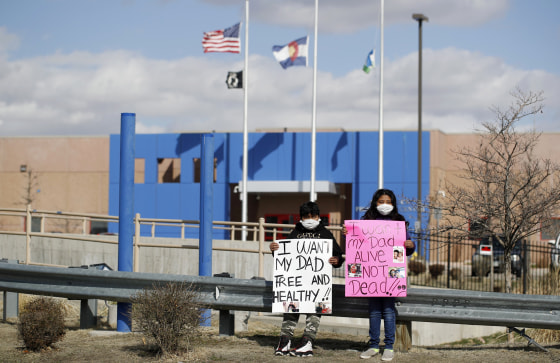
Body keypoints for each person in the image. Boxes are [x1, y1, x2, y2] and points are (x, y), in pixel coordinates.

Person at [270, 201, 344, 357]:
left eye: (313, 216)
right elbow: (285, 255)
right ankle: (285, 339)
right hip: (296, 284)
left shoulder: (325, 233)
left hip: (317, 284)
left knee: (315, 309)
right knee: (291, 307)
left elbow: (338, 254)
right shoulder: (296, 232)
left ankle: (307, 341)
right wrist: (275, 250)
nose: (310, 219)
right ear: (301, 217)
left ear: (318, 216)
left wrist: (336, 260)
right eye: (306, 216)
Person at [348, 189, 415, 361]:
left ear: (393, 203)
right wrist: (348, 233)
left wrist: (410, 245)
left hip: (391, 273)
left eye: (388, 201)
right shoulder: (367, 222)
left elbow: (404, 251)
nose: (384, 205)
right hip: (372, 275)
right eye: (381, 201)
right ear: (375, 203)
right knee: (374, 311)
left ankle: (389, 347)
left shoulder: (399, 222)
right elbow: (357, 246)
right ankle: (373, 345)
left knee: (388, 310)